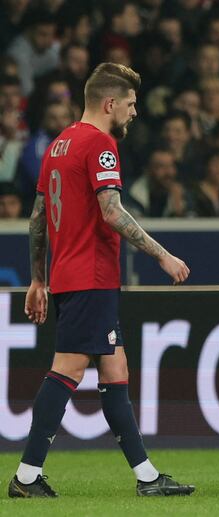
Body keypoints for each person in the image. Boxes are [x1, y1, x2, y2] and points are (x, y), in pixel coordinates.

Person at [9, 63, 193, 498]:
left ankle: (147, 477)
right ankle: (27, 476)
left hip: (72, 274)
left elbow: (37, 219)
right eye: (130, 104)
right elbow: (112, 211)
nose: (134, 112)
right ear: (110, 103)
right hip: (90, 274)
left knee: (115, 368)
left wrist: (39, 279)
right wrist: (163, 256)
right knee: (68, 369)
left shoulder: (58, 145)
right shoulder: (100, 144)